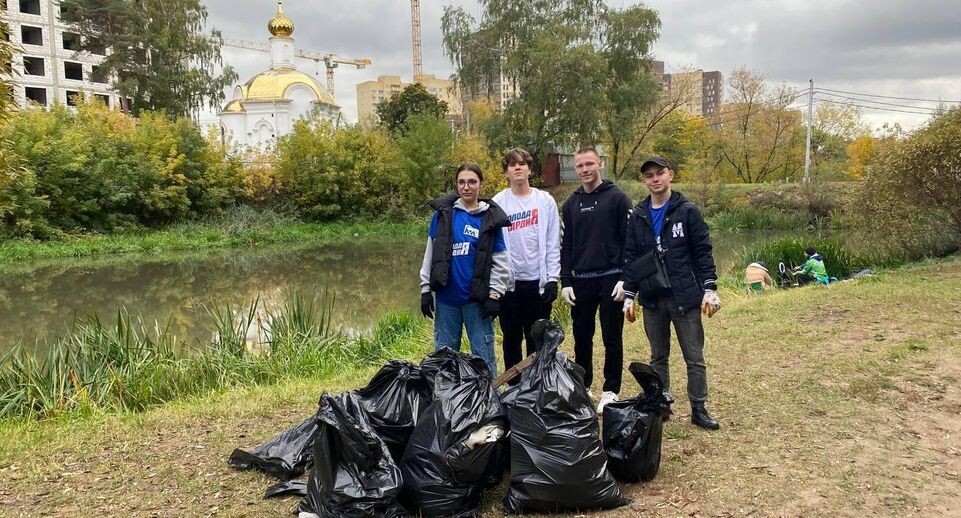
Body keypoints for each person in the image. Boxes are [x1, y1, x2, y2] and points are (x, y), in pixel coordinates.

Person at [621, 156, 721, 430]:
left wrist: (709, 287)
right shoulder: (638, 215)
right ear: (644, 180)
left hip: (684, 296)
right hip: (652, 298)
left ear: (670, 175)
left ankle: (699, 408)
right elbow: (631, 257)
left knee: (694, 356)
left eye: (659, 173)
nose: (654, 179)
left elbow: (702, 251)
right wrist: (629, 294)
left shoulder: (687, 211)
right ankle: (661, 405)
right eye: (649, 175)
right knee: (657, 357)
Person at [419, 163, 512, 376]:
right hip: (446, 302)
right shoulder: (443, 215)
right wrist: (425, 290)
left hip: (476, 302)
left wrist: (495, 295)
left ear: (480, 185)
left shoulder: (489, 217)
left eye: (472, 182)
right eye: (462, 182)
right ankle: (446, 403)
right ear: (457, 185)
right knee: (444, 359)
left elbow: (500, 260)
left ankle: (491, 401)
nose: (466, 186)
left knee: (483, 357)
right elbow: (430, 254)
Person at [559, 147, 633, 414]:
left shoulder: (618, 199)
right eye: (580, 166)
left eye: (589, 163)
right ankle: (584, 385)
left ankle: (610, 390)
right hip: (581, 281)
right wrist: (565, 281)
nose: (585, 169)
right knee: (582, 337)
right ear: (575, 169)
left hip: (612, 279)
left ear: (600, 164)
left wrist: (626, 278)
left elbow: (630, 242)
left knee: (612, 336)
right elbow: (565, 246)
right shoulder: (570, 204)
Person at [492, 147, 561, 380]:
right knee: (511, 338)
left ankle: (536, 386)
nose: (518, 168)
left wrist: (552, 278)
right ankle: (513, 389)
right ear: (507, 172)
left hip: (537, 282)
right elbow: (492, 247)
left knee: (537, 339)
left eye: (522, 164)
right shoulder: (498, 202)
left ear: (530, 169)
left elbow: (553, 242)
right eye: (512, 165)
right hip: (509, 284)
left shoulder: (544, 201)